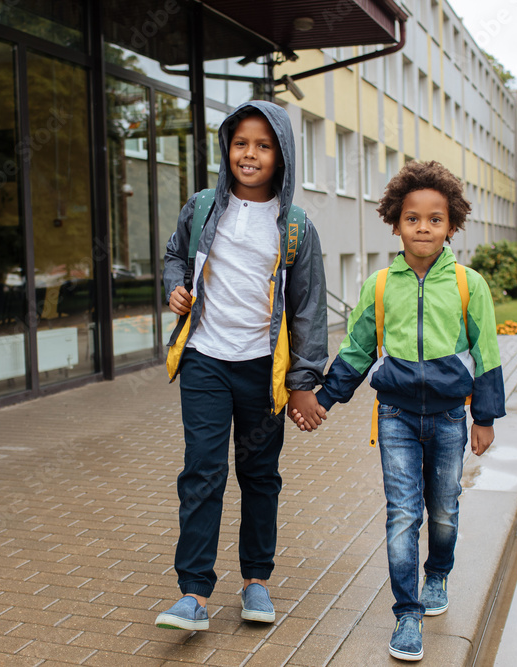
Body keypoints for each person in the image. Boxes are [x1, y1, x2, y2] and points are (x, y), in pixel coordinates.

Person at [294, 160, 505, 661]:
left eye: (436, 218)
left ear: (451, 225)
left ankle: (438, 575)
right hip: (395, 416)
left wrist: (485, 417)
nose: (424, 227)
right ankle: (406, 614)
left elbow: (488, 351)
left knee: (445, 509)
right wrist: (322, 399)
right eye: (413, 218)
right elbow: (358, 349)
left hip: (453, 418)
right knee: (403, 513)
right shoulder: (380, 286)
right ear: (395, 223)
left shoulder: (468, 285)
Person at [155, 100, 328, 632]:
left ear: (281, 155)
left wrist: (302, 383)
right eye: (240, 143)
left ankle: (256, 582)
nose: (249, 154)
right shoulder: (204, 206)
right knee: (202, 473)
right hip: (205, 360)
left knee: (259, 475)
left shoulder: (295, 226)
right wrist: (175, 288)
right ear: (227, 148)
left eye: (263, 145)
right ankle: (193, 594)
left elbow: (308, 310)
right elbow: (174, 256)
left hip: (261, 370)